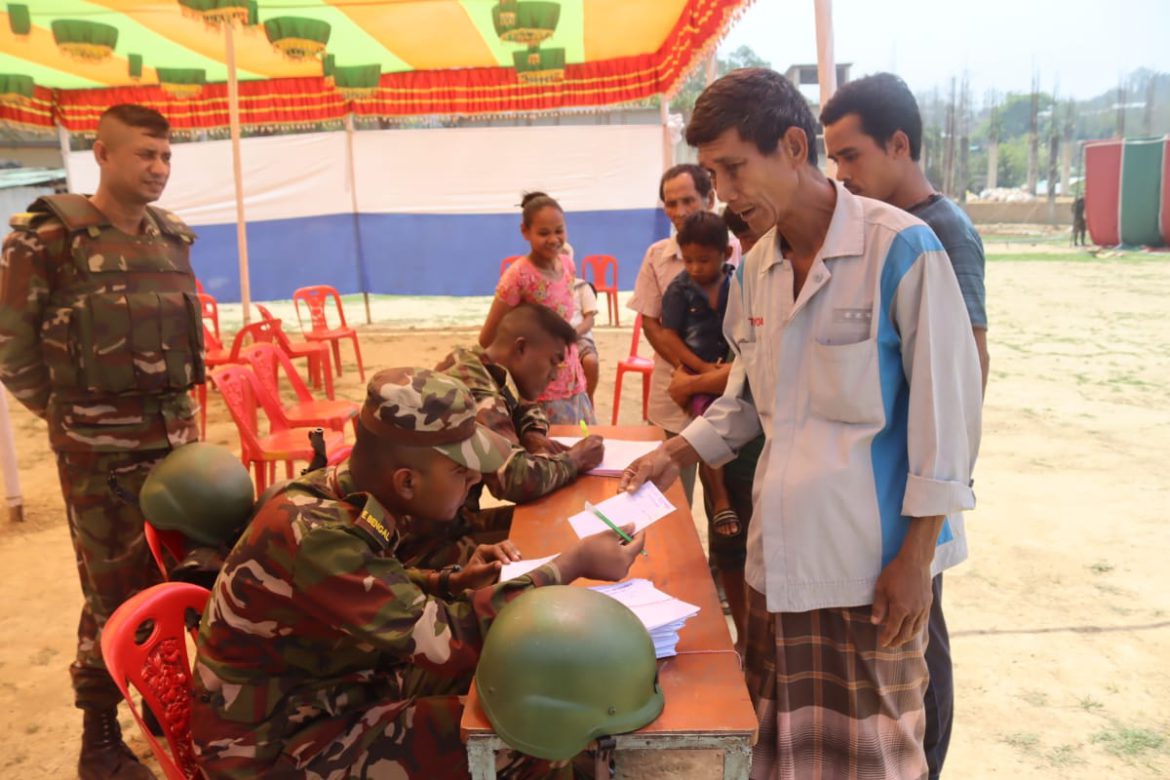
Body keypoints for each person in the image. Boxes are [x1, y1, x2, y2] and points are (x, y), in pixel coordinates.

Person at [622, 69, 982, 779]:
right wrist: (675, 452)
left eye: (734, 168)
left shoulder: (901, 249)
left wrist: (915, 560)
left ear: (793, 146)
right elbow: (748, 400)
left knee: (874, 758)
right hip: (778, 560)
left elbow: (948, 420)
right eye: (713, 173)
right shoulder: (756, 268)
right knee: (780, 752)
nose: (724, 192)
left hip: (870, 573)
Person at [191, 367, 645, 779]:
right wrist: (570, 565)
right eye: (462, 472)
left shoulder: (340, 494)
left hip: (338, 686)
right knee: (524, 737)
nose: (475, 480)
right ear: (407, 481)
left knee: (516, 676)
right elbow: (450, 642)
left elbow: (372, 583)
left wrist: (448, 581)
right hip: (273, 747)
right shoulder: (316, 535)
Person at [0, 104, 202, 780]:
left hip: (179, 453)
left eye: (166, 156)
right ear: (103, 153)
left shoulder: (172, 237)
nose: (158, 168)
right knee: (114, 592)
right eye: (145, 154)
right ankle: (100, 736)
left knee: (183, 578)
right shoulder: (46, 240)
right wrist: (76, 421)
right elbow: (12, 350)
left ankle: (168, 706)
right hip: (99, 460)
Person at [821, 72, 991, 778]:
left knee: (921, 638)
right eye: (833, 159)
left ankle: (929, 763)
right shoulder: (880, 231)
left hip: (921, 483)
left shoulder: (940, 232)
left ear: (899, 144)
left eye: (851, 155)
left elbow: (969, 366)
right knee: (901, 637)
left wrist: (938, 487)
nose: (841, 174)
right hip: (883, 478)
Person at [417, 303, 604, 565]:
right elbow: (516, 479)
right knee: (556, 544)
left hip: (453, 523)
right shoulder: (474, 388)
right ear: (521, 348)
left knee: (561, 522)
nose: (554, 376)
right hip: (425, 546)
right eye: (553, 362)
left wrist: (533, 435)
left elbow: (527, 405)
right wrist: (576, 459)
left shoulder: (480, 364)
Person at [627, 164, 741, 503]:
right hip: (674, 392)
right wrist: (694, 373)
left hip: (732, 394)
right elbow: (652, 324)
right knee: (672, 498)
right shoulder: (657, 256)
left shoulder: (740, 251)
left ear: (710, 198)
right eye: (670, 203)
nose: (679, 211)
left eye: (688, 200)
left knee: (728, 495)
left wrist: (708, 379)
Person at [480, 192, 595, 425]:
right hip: (539, 393)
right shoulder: (518, 277)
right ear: (525, 231)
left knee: (581, 441)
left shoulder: (567, 266)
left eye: (559, 231)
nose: (553, 239)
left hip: (572, 382)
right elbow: (487, 339)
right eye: (543, 233)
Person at [570, 278, 600, 404]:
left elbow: (589, 319)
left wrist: (573, 334)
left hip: (579, 336)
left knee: (591, 361)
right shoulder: (544, 287)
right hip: (552, 337)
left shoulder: (581, 286)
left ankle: (588, 400)